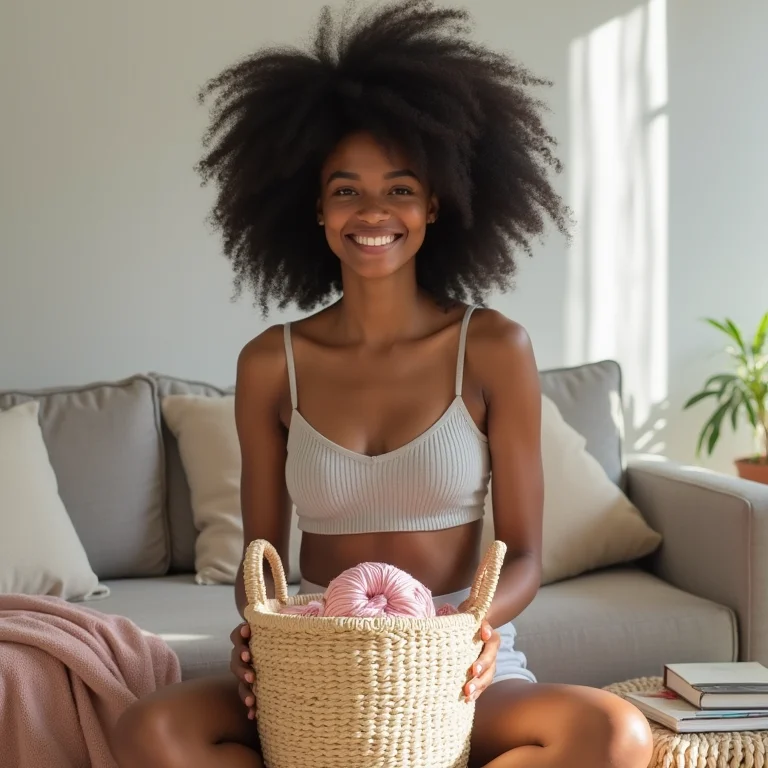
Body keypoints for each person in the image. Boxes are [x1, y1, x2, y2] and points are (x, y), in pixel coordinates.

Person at [112, 1, 653, 766]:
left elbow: (525, 553)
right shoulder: (273, 362)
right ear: (318, 210)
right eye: (346, 190)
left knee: (615, 735)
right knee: (149, 729)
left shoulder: (492, 347)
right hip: (316, 654)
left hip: (454, 652)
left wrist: (464, 627)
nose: (373, 212)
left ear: (436, 203)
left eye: (400, 189)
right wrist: (262, 625)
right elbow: (258, 561)